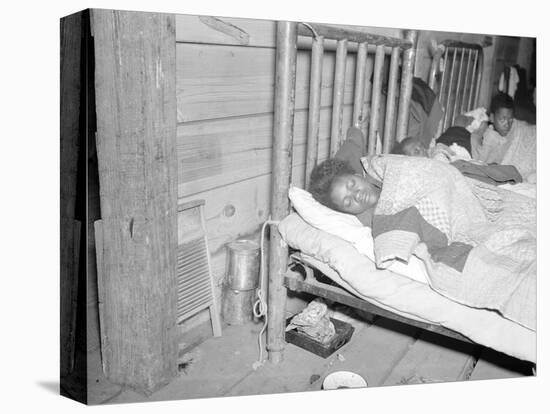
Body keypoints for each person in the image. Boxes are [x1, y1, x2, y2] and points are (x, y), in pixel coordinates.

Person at [471, 92, 536, 182]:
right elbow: (482, 162)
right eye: (502, 120)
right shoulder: (490, 136)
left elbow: (524, 128)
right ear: (492, 118)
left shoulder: (514, 127)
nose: (507, 125)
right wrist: (478, 133)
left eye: (510, 120)